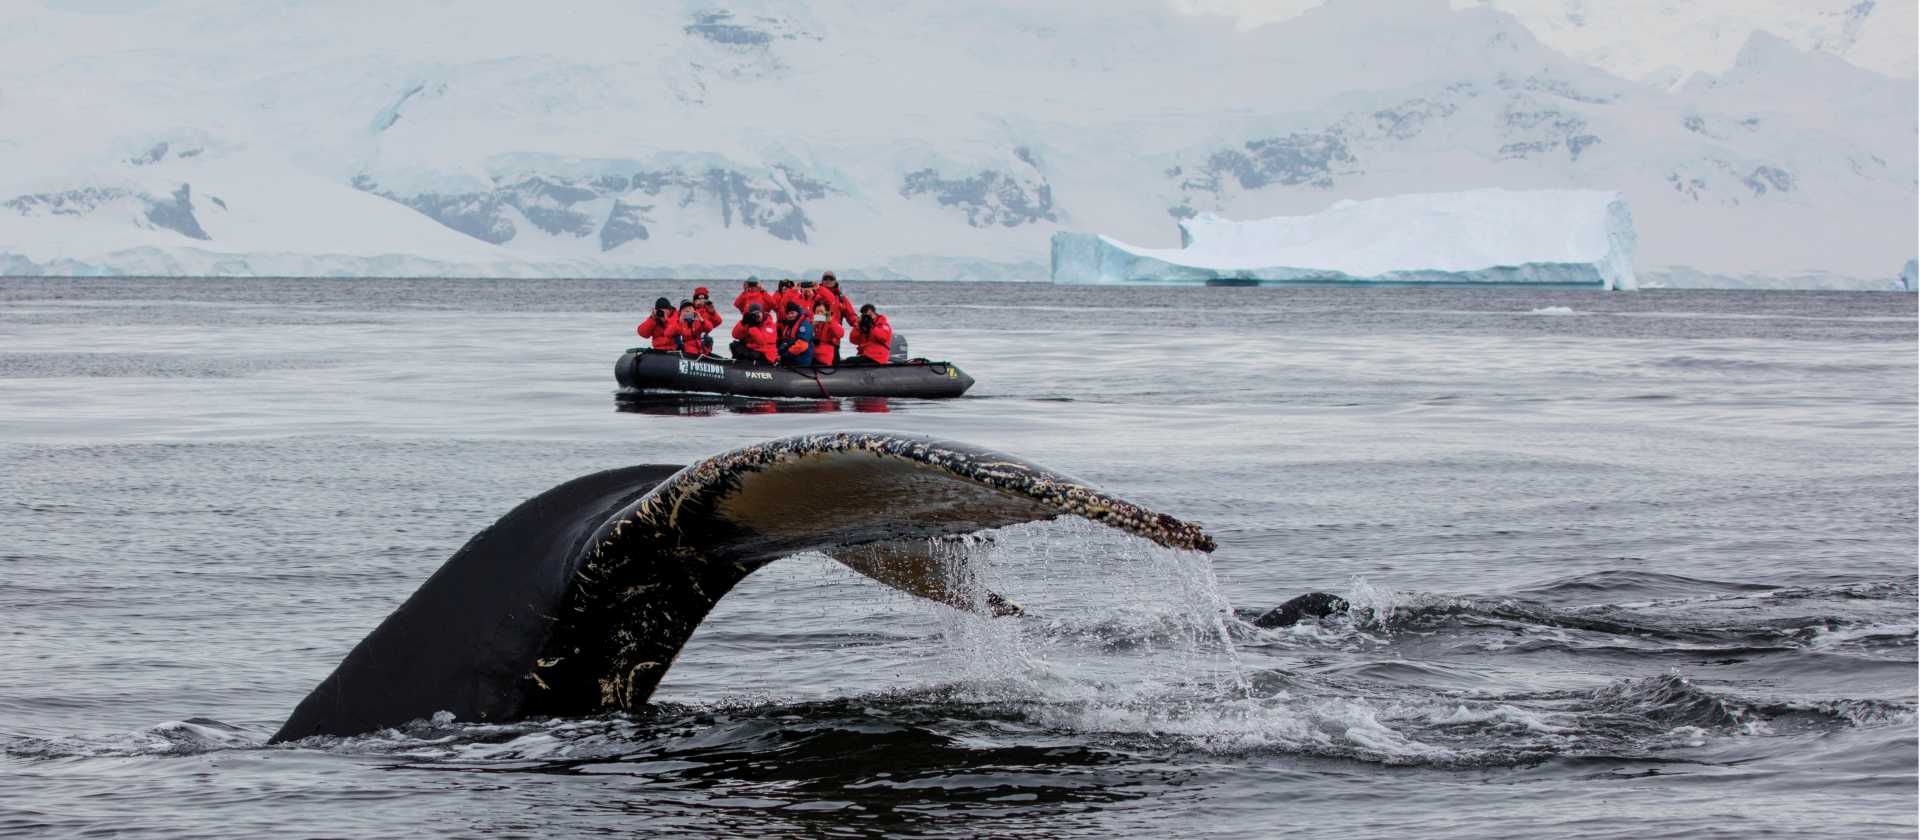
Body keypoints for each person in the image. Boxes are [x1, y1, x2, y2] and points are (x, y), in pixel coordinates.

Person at [776, 302, 814, 366]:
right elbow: (787, 342)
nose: (790, 315)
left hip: (801, 361)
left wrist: (785, 356)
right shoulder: (790, 325)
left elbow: (802, 345)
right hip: (792, 360)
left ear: (798, 313)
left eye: (792, 313)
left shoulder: (804, 325)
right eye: (788, 313)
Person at [809, 299, 844, 366]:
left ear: (826, 312)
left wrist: (830, 321)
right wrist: (812, 325)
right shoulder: (811, 322)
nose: (819, 314)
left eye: (822, 312)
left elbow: (840, 334)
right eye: (817, 312)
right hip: (813, 352)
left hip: (826, 354)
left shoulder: (832, 321)